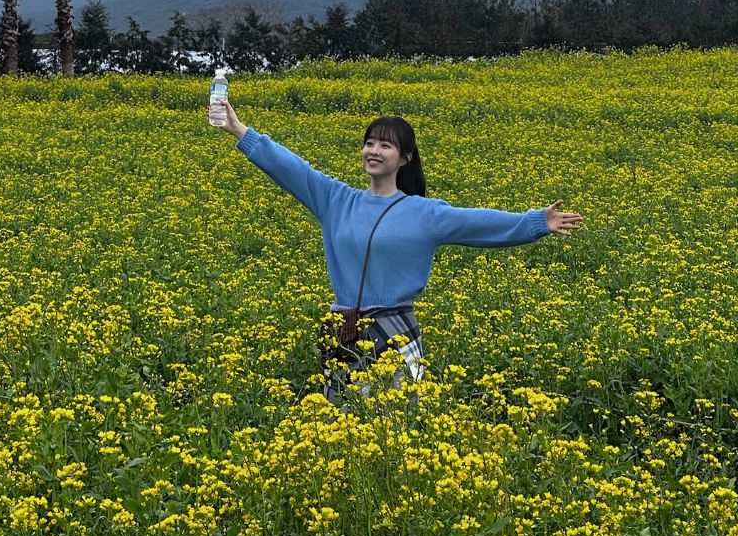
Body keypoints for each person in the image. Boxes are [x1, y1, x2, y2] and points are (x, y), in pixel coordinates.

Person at [213, 102, 583, 403]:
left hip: (396, 331)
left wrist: (537, 222)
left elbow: (480, 223)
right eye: (370, 143)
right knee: (340, 427)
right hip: (346, 330)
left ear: (405, 157)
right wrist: (239, 130)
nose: (374, 151)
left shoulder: (425, 213)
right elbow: (291, 167)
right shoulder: (335, 200)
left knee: (397, 427)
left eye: (385, 145)